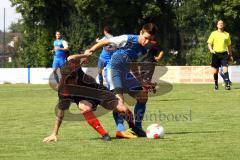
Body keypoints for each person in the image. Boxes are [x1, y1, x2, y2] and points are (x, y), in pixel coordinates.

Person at [84, 23, 158, 138]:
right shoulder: (128, 39)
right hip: (114, 71)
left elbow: (133, 64)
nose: (147, 41)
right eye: (146, 38)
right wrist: (90, 50)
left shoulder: (144, 49)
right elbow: (105, 42)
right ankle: (121, 130)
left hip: (126, 74)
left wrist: (142, 82)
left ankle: (137, 128)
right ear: (141, 33)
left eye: (150, 39)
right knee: (120, 103)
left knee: (143, 96)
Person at [43, 53, 135, 142]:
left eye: (74, 81)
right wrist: (54, 133)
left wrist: (85, 55)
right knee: (84, 107)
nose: (74, 84)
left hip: (97, 90)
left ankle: (133, 128)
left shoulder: (73, 67)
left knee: (122, 109)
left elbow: (72, 57)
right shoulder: (64, 91)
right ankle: (104, 135)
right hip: (84, 98)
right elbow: (60, 113)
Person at [207, 20, 232, 90]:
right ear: (217, 25)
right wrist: (211, 50)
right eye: (219, 24)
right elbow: (209, 43)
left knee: (225, 69)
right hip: (215, 54)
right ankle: (216, 85)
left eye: (222, 23)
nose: (221, 24)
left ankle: (227, 85)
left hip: (224, 54)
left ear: (223, 25)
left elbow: (229, 45)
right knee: (215, 71)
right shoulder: (213, 33)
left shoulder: (227, 34)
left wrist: (230, 54)